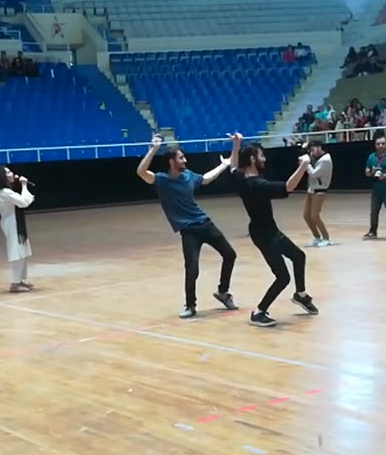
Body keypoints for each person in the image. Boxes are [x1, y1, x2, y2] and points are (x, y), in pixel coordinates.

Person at [136, 134, 238, 318]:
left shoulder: (189, 176)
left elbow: (206, 178)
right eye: (181, 158)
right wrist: (153, 149)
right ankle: (190, 306)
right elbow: (141, 172)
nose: (185, 160)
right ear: (171, 161)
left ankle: (223, 292)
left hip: (205, 224)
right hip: (189, 231)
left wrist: (224, 164)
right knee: (192, 269)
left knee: (230, 254)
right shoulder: (161, 180)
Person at [227, 133, 318, 327]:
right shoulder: (257, 184)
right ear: (252, 159)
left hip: (268, 230)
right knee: (283, 277)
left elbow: (233, 166)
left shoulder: (240, 177)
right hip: (264, 235)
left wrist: (236, 145)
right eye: (261, 155)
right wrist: (303, 166)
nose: (264, 159)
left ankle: (300, 295)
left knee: (299, 256)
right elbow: (287, 188)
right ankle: (258, 313)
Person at [0, 166, 35, 293]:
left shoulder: (7, 191)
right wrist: (25, 185)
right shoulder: (5, 192)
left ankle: (20, 280)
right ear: (3, 177)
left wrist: (20, 185)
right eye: (8, 172)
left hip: (15, 222)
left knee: (22, 251)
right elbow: (24, 202)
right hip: (12, 224)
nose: (12, 173)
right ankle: (14, 283)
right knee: (17, 252)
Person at [363, 135, 386, 239]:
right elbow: (367, 169)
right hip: (376, 189)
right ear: (375, 145)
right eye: (378, 144)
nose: (381, 146)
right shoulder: (371, 157)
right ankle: (372, 232)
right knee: (374, 211)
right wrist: (369, 172)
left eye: (383, 143)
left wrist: (385, 176)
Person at [302, 140, 333, 247]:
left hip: (320, 190)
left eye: (313, 149)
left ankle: (326, 238)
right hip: (311, 190)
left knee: (315, 215)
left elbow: (314, 174)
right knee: (306, 216)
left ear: (319, 147)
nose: (312, 152)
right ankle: (317, 237)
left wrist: (306, 164)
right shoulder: (315, 158)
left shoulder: (325, 160)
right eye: (310, 150)